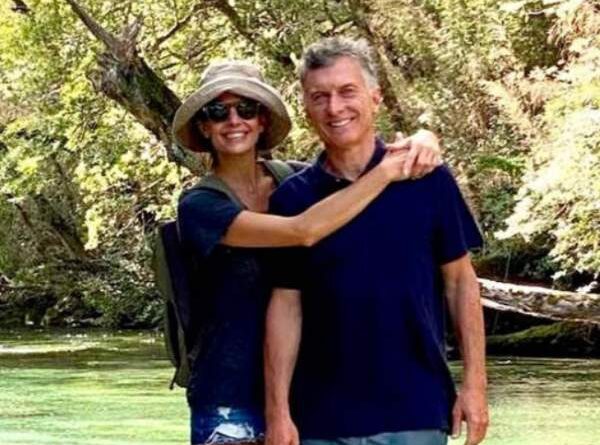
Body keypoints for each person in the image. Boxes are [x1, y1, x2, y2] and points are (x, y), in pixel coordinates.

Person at [171, 60, 443, 445]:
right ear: (204, 126)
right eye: (218, 112)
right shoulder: (200, 206)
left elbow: (357, 175)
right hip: (230, 400)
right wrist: (385, 171)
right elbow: (303, 231)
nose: (233, 121)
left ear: (262, 120)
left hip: (306, 395)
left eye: (245, 109)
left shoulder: (294, 182)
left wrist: (423, 139)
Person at [264, 38, 489, 445]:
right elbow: (286, 304)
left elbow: (460, 282)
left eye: (347, 91)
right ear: (306, 109)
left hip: (415, 410)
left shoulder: (428, 179)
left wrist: (475, 385)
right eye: (319, 97)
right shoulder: (292, 199)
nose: (334, 108)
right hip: (320, 419)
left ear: (375, 97)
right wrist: (278, 410)